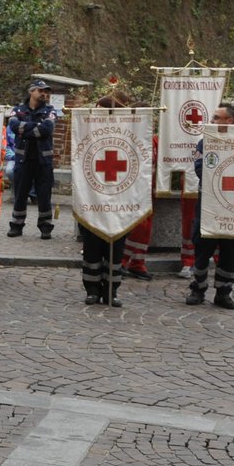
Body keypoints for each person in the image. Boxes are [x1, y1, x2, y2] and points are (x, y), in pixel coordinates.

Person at [79, 92, 135, 307]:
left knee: (115, 250)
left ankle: (111, 290)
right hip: (93, 199)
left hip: (120, 200)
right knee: (92, 248)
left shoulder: (128, 135)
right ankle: (92, 289)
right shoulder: (88, 133)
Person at [186, 102, 234, 310]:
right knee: (202, 248)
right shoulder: (206, 142)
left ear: (230, 121)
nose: (212, 121)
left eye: (217, 118)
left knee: (229, 251)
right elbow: (200, 168)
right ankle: (197, 289)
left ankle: (224, 292)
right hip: (209, 204)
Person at [7, 79, 57, 239]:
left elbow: (48, 128)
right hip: (23, 159)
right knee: (20, 194)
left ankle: (45, 227)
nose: (44, 94)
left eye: (46, 91)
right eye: (41, 90)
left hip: (44, 161)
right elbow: (14, 126)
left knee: (44, 196)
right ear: (31, 91)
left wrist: (25, 130)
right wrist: (36, 129)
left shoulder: (50, 110)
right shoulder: (18, 110)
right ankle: (16, 225)